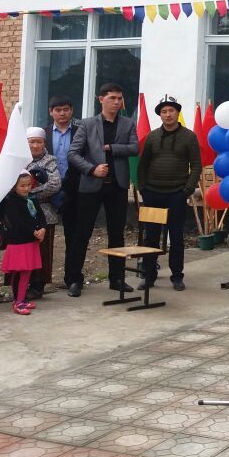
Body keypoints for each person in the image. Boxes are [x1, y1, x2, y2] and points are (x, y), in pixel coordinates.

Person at [67, 83, 139, 297]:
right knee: (82, 233)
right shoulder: (88, 124)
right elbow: (73, 154)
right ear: (101, 99)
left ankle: (117, 278)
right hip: (91, 186)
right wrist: (92, 169)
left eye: (119, 98)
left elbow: (135, 147)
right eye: (112, 98)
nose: (116, 102)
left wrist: (112, 148)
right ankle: (74, 279)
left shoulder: (127, 124)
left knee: (117, 234)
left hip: (117, 186)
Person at [137, 94, 201, 291]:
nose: (167, 114)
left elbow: (196, 165)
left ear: (177, 112)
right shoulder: (152, 136)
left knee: (177, 236)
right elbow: (143, 164)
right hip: (152, 193)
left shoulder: (189, 136)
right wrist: (143, 188)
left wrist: (187, 190)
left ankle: (177, 276)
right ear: (160, 115)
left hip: (177, 194)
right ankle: (149, 275)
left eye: (171, 110)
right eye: (164, 111)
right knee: (151, 237)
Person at [0, 172, 47, 316]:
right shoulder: (12, 202)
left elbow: (41, 216)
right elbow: (17, 223)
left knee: (27, 272)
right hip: (18, 242)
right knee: (19, 271)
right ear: (14, 186)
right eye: (22, 186)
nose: (26, 189)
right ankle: (17, 300)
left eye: (28, 185)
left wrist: (43, 228)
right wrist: (33, 232)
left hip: (31, 240)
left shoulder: (32, 199)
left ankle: (22, 298)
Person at [45, 95, 79, 294]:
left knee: (73, 237)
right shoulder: (44, 133)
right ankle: (39, 280)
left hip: (73, 189)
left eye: (66, 109)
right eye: (58, 110)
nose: (62, 113)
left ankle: (72, 278)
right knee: (41, 235)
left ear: (71, 110)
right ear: (51, 112)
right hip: (46, 191)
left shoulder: (80, 132)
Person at [25, 127, 61, 300]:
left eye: (39, 142)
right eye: (31, 142)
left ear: (44, 143)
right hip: (22, 213)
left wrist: (29, 193)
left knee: (42, 250)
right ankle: (21, 283)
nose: (35, 145)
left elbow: (54, 184)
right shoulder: (20, 160)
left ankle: (37, 285)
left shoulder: (50, 160)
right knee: (23, 248)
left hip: (45, 212)